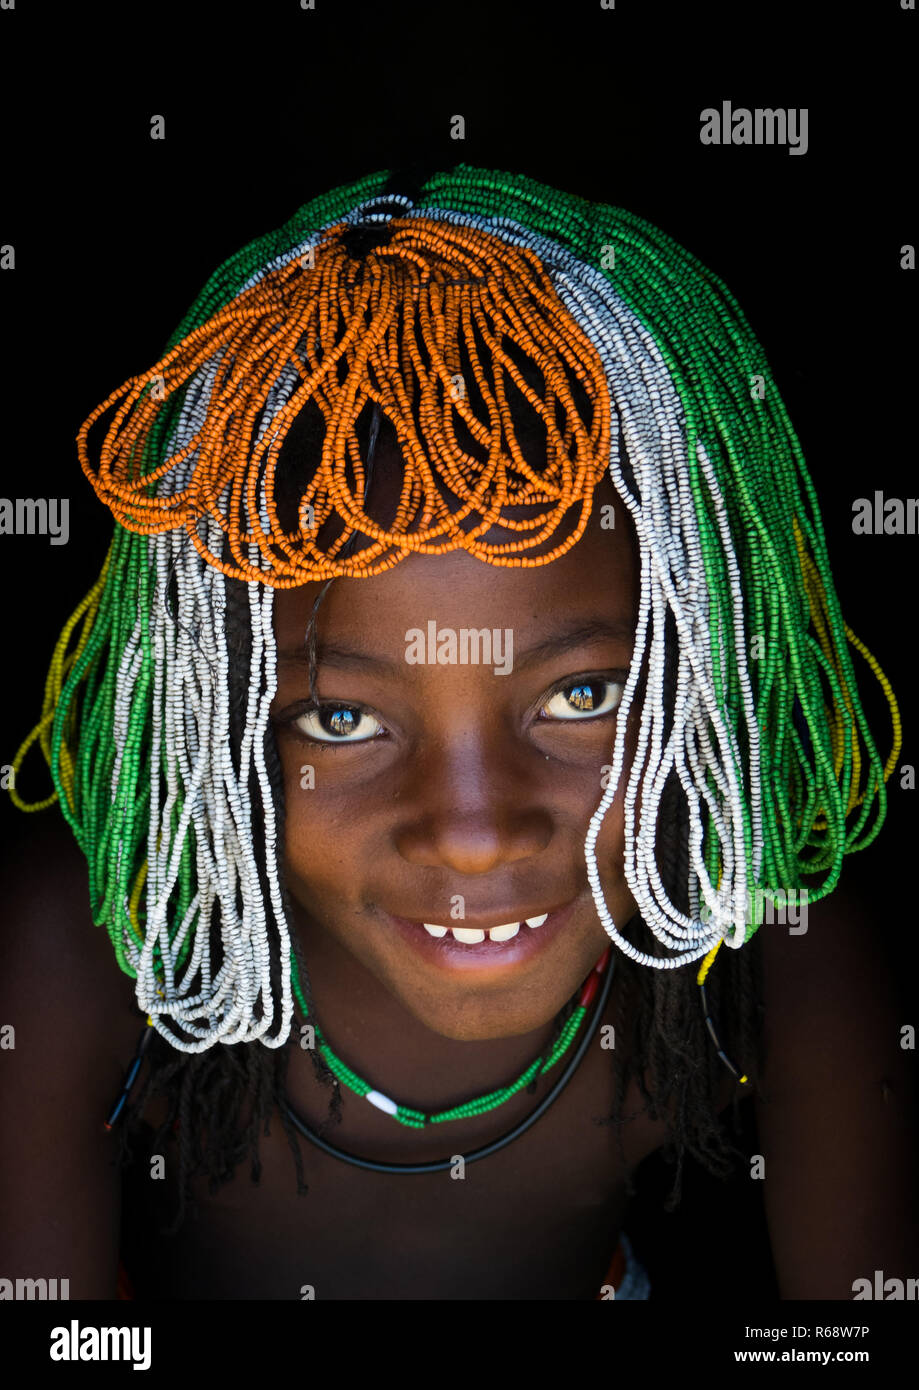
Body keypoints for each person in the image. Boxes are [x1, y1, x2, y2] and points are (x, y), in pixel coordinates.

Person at [2, 163, 913, 1300]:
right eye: (341, 717)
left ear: (699, 678)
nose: (475, 837)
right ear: (215, 721)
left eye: (581, 697)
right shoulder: (100, 941)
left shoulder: (770, 934)